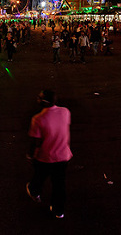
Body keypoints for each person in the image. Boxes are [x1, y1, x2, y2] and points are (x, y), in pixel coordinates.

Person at [26, 89, 72, 219]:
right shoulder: (65, 112)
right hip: (63, 155)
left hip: (46, 157)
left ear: (43, 102)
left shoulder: (38, 119)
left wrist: (30, 155)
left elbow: (36, 141)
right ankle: (59, 210)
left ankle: (35, 192)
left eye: (39, 98)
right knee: (59, 184)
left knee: (39, 176)